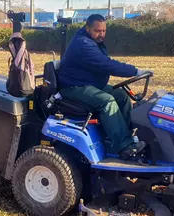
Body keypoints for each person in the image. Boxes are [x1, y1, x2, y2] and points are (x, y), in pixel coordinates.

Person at [57, 14, 153, 159]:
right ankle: (124, 146)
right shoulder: (83, 44)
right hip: (73, 87)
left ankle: (124, 136)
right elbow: (107, 64)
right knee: (106, 101)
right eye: (97, 31)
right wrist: (136, 71)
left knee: (121, 96)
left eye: (103, 31)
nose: (101, 34)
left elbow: (105, 62)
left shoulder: (92, 40)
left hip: (89, 84)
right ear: (88, 28)